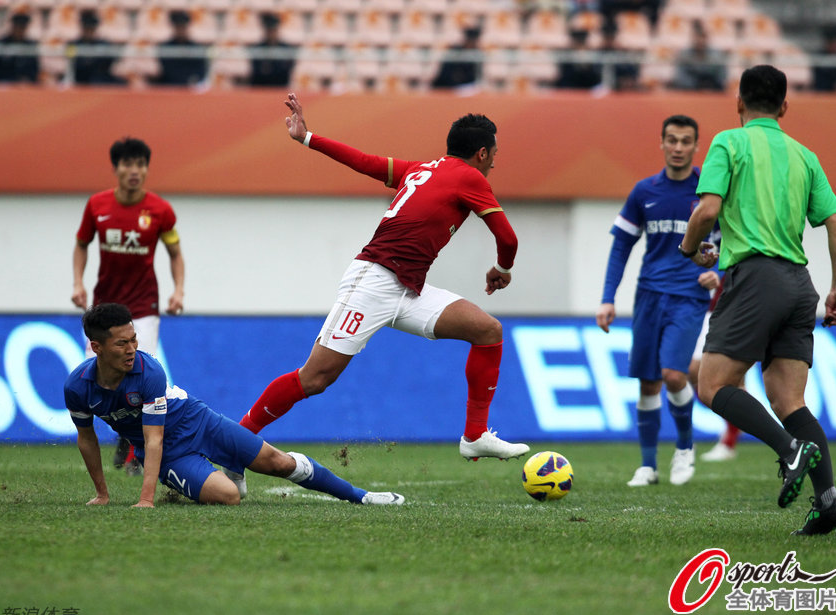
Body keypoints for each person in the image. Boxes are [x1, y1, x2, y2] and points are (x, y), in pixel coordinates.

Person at [239, 93, 529, 462]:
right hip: (373, 280)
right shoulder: (470, 177)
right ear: (482, 154)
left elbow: (364, 162)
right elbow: (508, 237)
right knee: (315, 378)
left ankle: (474, 435)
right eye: (494, 155)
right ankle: (236, 438)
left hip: (408, 288)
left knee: (487, 330)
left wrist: (309, 138)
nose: (493, 165)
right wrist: (502, 269)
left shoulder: (423, 169)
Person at [680, 64, 836, 536]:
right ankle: (829, 502)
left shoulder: (728, 143)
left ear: (739, 103)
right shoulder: (803, 155)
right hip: (800, 284)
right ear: (784, 107)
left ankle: (789, 450)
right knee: (789, 399)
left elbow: (707, 210)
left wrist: (690, 248)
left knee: (713, 385)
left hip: (754, 278)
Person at [65, 303, 404, 507]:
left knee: (277, 462)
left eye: (134, 339)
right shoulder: (78, 388)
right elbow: (88, 439)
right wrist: (102, 494)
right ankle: (227, 470)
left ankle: (361, 496)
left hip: (196, 421)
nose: (131, 349)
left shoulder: (147, 370)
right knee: (229, 497)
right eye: (122, 343)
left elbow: (152, 435)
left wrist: (146, 499)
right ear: (96, 347)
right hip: (169, 453)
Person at [596, 114, 715, 487]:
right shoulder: (644, 192)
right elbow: (621, 248)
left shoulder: (710, 193)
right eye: (672, 140)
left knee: (673, 374)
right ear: (661, 143)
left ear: (697, 147)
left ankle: (684, 447)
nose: (678, 148)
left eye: (685, 142)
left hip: (689, 295)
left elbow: (735, 243)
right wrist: (607, 298)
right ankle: (648, 466)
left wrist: (721, 274)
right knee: (648, 384)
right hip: (648, 294)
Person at [71, 137, 186, 472]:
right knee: (97, 374)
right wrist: (78, 283)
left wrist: (178, 290)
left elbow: (175, 253)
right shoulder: (97, 206)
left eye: (140, 164)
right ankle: (113, 436)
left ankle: (134, 447)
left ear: (146, 169)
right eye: (127, 164)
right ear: (116, 168)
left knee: (137, 371)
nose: (134, 171)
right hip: (103, 310)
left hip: (143, 308)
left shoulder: (161, 211)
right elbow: (81, 245)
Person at [688, 276, 744, 462]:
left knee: (732, 377)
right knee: (693, 372)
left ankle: (731, 438)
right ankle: (733, 429)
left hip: (732, 308)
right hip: (707, 307)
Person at [669, 20, 727, 92]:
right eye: (697, 38)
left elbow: (722, 76)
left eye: (702, 38)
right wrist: (696, 85)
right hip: (691, 92)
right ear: (693, 39)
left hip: (713, 91)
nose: (700, 41)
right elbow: (680, 76)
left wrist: (712, 85)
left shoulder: (716, 55)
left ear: (706, 39)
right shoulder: (684, 55)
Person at [69, 9, 122, 86]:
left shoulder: (104, 44)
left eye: (91, 28)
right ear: (82, 28)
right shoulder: (73, 45)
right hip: (81, 79)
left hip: (101, 78)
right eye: (87, 28)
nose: (89, 31)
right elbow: (71, 62)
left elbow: (114, 59)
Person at [154, 9, 207, 86]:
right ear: (174, 27)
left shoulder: (197, 48)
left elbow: (201, 73)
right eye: (178, 26)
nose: (181, 30)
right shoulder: (164, 47)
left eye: (183, 26)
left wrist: (192, 81)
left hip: (189, 90)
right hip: (168, 89)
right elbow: (162, 72)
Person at [0, 11, 38, 84]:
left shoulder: (30, 45)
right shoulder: (1, 43)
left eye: (23, 27)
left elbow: (33, 68)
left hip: (23, 85)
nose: (20, 30)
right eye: (18, 26)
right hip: (3, 82)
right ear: (13, 26)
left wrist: (27, 79)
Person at [248, 12, 296, 87]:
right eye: (269, 30)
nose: (271, 34)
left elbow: (287, 70)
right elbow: (257, 71)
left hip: (280, 87)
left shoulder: (286, 48)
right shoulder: (258, 48)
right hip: (261, 87)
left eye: (273, 30)